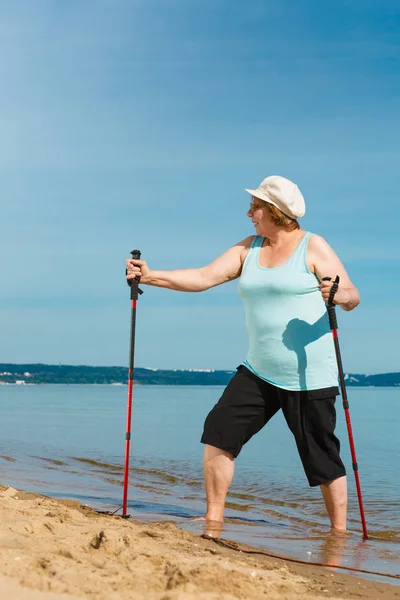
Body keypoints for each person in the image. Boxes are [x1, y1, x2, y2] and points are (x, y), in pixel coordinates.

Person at [126, 175, 360, 533]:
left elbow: (351, 296)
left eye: (255, 206)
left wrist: (338, 295)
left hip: (308, 373)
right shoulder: (248, 248)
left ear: (275, 211)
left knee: (321, 456)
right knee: (219, 431)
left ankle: (339, 536)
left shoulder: (313, 247)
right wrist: (151, 276)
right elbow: (203, 277)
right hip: (258, 370)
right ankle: (214, 519)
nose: (249, 212)